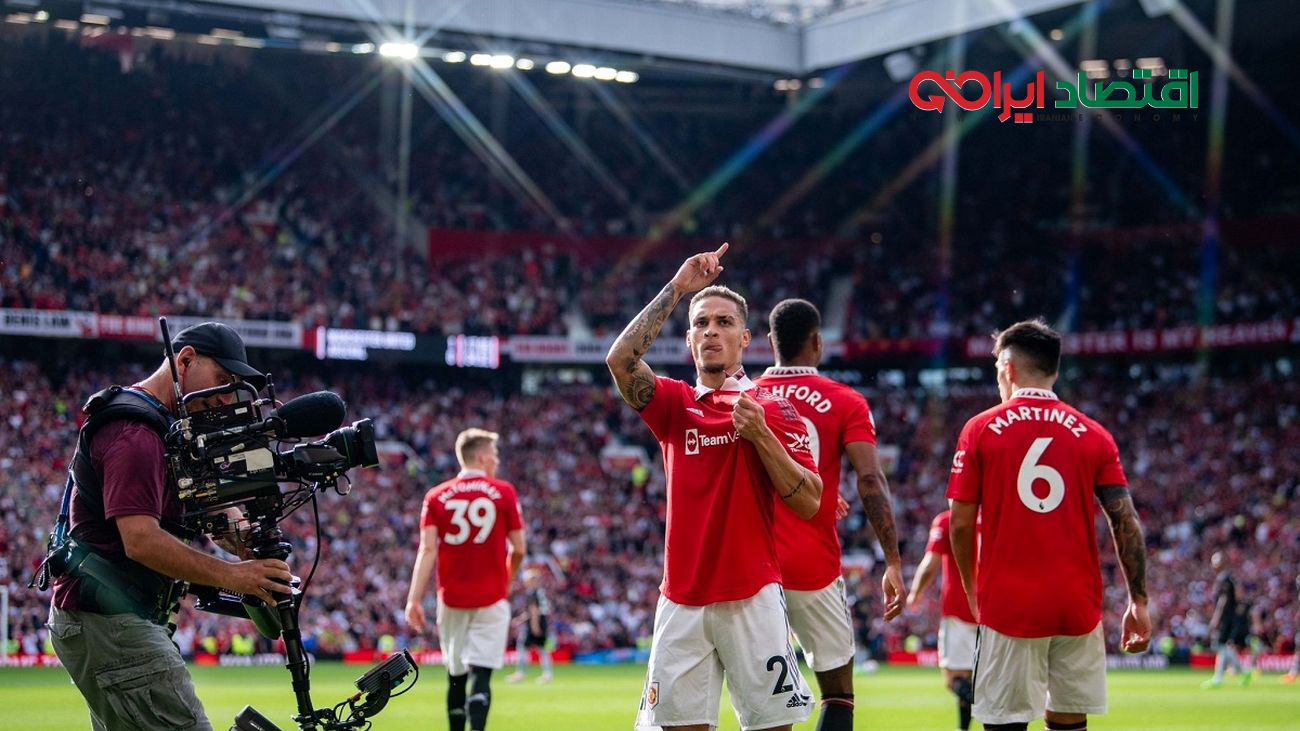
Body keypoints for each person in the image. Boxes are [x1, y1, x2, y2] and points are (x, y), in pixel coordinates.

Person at [605, 243, 824, 731]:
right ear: (688, 339)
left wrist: (761, 435)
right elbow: (620, 361)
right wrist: (679, 288)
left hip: (753, 597)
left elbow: (810, 501)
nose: (711, 331)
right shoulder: (674, 404)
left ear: (745, 338)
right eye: (701, 323)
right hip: (681, 600)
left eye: (724, 322)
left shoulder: (774, 409)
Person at [45, 321, 291, 731]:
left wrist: (241, 534)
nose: (225, 397)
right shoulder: (136, 433)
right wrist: (237, 575)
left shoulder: (164, 428)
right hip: (113, 619)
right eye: (222, 380)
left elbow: (203, 507)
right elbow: (140, 540)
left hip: (106, 616)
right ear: (185, 360)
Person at [946, 318, 1151, 731]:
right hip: (1076, 603)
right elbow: (1125, 519)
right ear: (1054, 371)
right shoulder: (1094, 434)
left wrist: (972, 590)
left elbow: (961, 524)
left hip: (1009, 603)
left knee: (1004, 722)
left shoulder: (980, 429)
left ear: (1007, 369)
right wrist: (1139, 601)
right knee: (1069, 722)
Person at [755, 297, 905, 731]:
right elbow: (870, 480)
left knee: (763, 705)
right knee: (838, 694)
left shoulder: (744, 396)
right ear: (817, 343)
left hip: (754, 566)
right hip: (813, 566)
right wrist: (893, 561)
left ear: (769, 342)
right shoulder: (844, 400)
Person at [406, 428, 526, 731]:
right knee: (482, 673)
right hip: (492, 597)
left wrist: (414, 599)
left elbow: (428, 549)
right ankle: (478, 716)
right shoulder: (504, 492)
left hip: (452, 599)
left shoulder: (435, 496)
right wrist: (506, 581)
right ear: (482, 457)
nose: (497, 460)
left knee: (455, 673)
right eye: (494, 454)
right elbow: (519, 549)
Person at [907, 510, 978, 731]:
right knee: (976, 676)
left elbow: (930, 563)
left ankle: (987, 703)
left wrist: (915, 593)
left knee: (955, 678)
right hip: (994, 610)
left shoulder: (948, 520)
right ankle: (964, 727)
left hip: (960, 609)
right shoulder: (996, 517)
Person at [1202, 550, 1256, 688]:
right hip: (1231, 617)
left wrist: (1216, 618)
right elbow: (1239, 596)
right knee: (1223, 646)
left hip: (1227, 618)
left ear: (1223, 562)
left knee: (1219, 645)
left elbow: (1224, 600)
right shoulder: (1230, 578)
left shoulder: (1224, 579)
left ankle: (1227, 675)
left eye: (1215, 561)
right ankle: (1236, 673)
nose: (1213, 564)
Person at [507, 566, 554, 684]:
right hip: (541, 622)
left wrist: (534, 626)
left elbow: (534, 611)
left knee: (522, 647)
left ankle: (520, 673)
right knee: (542, 649)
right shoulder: (540, 592)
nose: (525, 582)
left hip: (534, 624)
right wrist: (520, 620)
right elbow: (534, 611)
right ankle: (547, 674)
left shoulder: (532, 593)